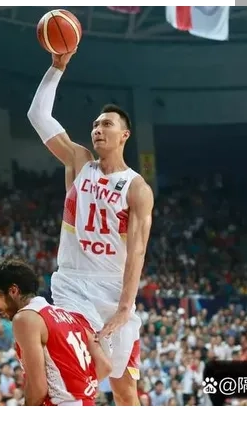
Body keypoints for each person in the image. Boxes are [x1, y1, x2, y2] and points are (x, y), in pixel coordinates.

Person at [26, 49, 154, 406]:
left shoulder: (137, 188)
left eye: (106, 124)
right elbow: (37, 115)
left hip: (113, 289)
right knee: (82, 372)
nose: (98, 129)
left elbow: (138, 250)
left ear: (124, 135)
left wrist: (125, 307)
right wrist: (57, 67)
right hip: (72, 286)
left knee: (125, 389)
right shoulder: (79, 161)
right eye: (95, 125)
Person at [0, 257, 112, 406]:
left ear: (13, 291)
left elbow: (38, 389)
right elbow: (105, 366)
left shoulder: (25, 318)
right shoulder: (73, 317)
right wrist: (78, 390)